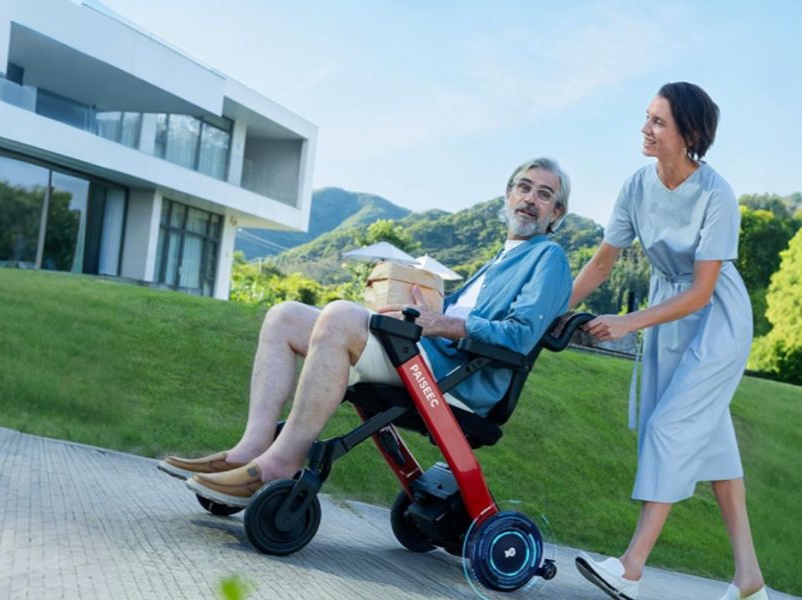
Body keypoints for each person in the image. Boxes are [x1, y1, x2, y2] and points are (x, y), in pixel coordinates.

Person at [158, 157, 574, 507]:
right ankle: (250, 449)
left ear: (556, 213)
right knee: (284, 316)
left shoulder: (549, 257)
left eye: (544, 194)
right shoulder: (502, 257)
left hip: (460, 381)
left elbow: (519, 335)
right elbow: (454, 316)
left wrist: (439, 323)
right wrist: (426, 310)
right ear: (508, 195)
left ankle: (280, 464)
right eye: (524, 187)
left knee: (340, 316)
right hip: (429, 358)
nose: (530, 199)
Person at [570, 83, 768, 600]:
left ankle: (631, 569)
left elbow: (702, 292)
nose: (645, 129)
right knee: (716, 448)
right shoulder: (636, 185)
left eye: (659, 122)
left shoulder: (717, 194)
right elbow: (601, 262)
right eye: (647, 118)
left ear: (691, 134)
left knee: (669, 428)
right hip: (667, 314)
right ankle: (749, 581)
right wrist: (550, 310)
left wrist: (629, 322)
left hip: (716, 320)